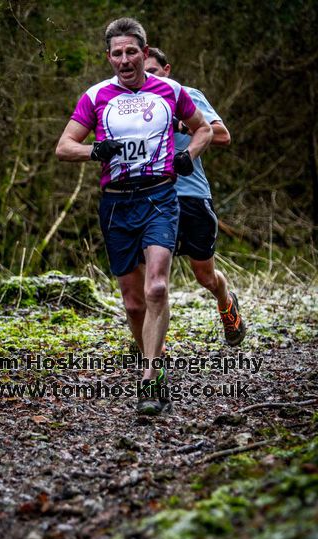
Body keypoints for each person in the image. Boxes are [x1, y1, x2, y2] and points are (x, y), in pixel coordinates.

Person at [56, 18, 213, 415]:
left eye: (131, 52)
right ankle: (148, 352)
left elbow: (205, 130)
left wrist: (186, 156)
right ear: (108, 57)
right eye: (117, 53)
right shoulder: (95, 96)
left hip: (160, 197)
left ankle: (151, 378)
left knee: (156, 288)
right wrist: (95, 152)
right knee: (132, 303)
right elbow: (64, 147)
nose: (124, 60)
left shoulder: (171, 91)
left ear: (144, 53)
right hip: (116, 204)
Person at [144, 48, 246, 346]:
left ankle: (226, 303)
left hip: (191, 196)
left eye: (154, 70)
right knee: (153, 278)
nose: (149, 77)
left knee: (204, 276)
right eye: (144, 72)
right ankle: (150, 342)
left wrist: (180, 126)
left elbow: (222, 134)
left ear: (167, 70)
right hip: (151, 198)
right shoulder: (132, 103)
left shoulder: (186, 95)